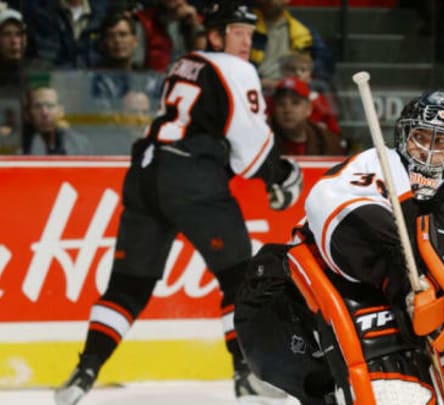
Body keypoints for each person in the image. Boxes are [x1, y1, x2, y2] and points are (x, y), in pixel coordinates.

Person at [233, 89, 444, 404]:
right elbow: (339, 219)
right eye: (420, 137)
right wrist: (403, 278)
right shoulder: (374, 165)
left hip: (385, 318)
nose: (427, 152)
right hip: (289, 308)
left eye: (440, 142)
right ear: (403, 136)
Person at [54, 2, 302, 404]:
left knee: (129, 285)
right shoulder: (236, 68)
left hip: (146, 172)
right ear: (215, 35)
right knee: (240, 278)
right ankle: (245, 376)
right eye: (236, 31)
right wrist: (280, 173)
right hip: (191, 179)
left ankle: (85, 372)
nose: (245, 40)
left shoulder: (184, 63)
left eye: (248, 32)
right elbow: (252, 148)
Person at [268, 77, 345, 156]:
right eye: (281, 104)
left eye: (295, 103)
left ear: (309, 109)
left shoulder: (328, 142)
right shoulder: (263, 139)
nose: (287, 110)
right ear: (274, 109)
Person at [22, 85, 93, 155]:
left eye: (50, 106)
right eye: (37, 106)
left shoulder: (78, 144)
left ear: (61, 111)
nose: (44, 112)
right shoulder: (20, 144)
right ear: (28, 113)